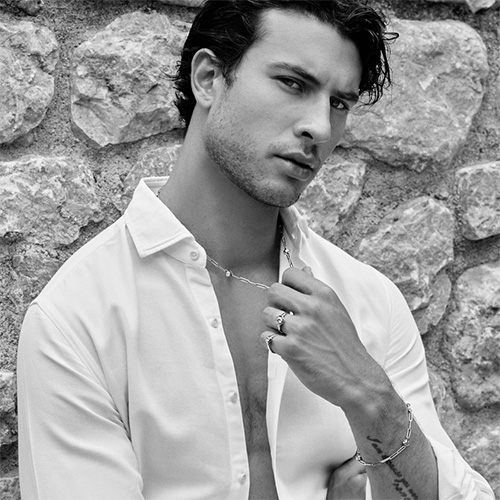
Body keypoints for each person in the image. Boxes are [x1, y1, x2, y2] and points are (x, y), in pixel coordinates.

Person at [17, 1, 494, 499]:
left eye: (339, 103)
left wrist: (371, 399)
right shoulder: (76, 321)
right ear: (208, 78)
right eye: (293, 83)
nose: (320, 128)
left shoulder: (368, 302)